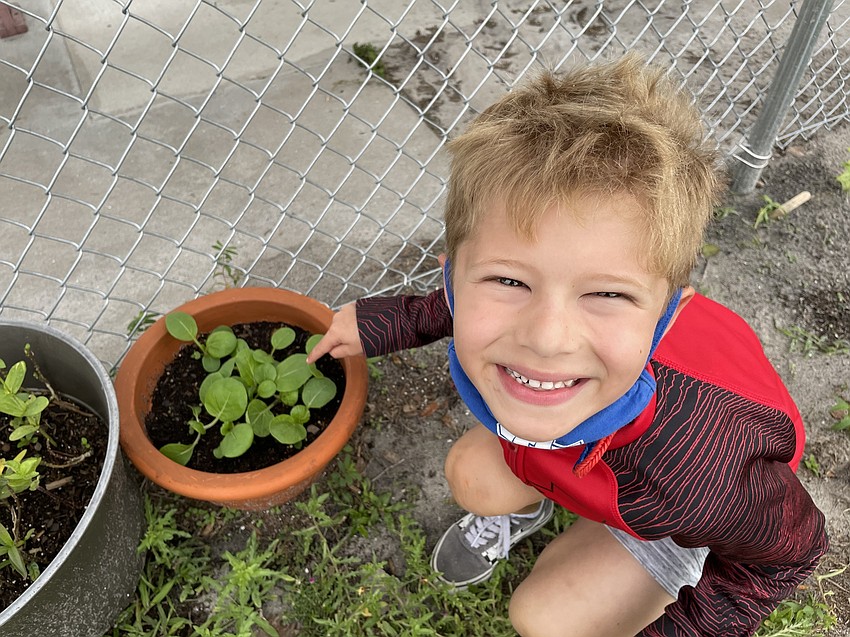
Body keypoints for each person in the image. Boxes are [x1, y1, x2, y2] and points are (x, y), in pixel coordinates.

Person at [305, 54, 828, 637]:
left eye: (605, 294)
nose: (546, 338)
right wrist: (380, 322)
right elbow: (453, 306)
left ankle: (671, 552)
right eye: (509, 281)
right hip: (590, 436)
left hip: (674, 502)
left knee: (545, 619)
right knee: (472, 476)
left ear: (666, 313)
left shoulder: (700, 472)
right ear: (455, 276)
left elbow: (789, 554)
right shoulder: (536, 336)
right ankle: (539, 503)